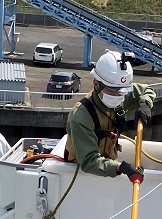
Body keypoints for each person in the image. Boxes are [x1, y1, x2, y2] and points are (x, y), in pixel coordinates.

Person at [65, 50, 156, 182]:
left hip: (108, 165)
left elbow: (146, 90)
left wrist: (145, 103)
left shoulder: (120, 92)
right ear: (96, 84)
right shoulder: (80, 116)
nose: (119, 95)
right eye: (113, 91)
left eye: (123, 90)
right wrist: (120, 167)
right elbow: (89, 161)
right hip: (79, 175)